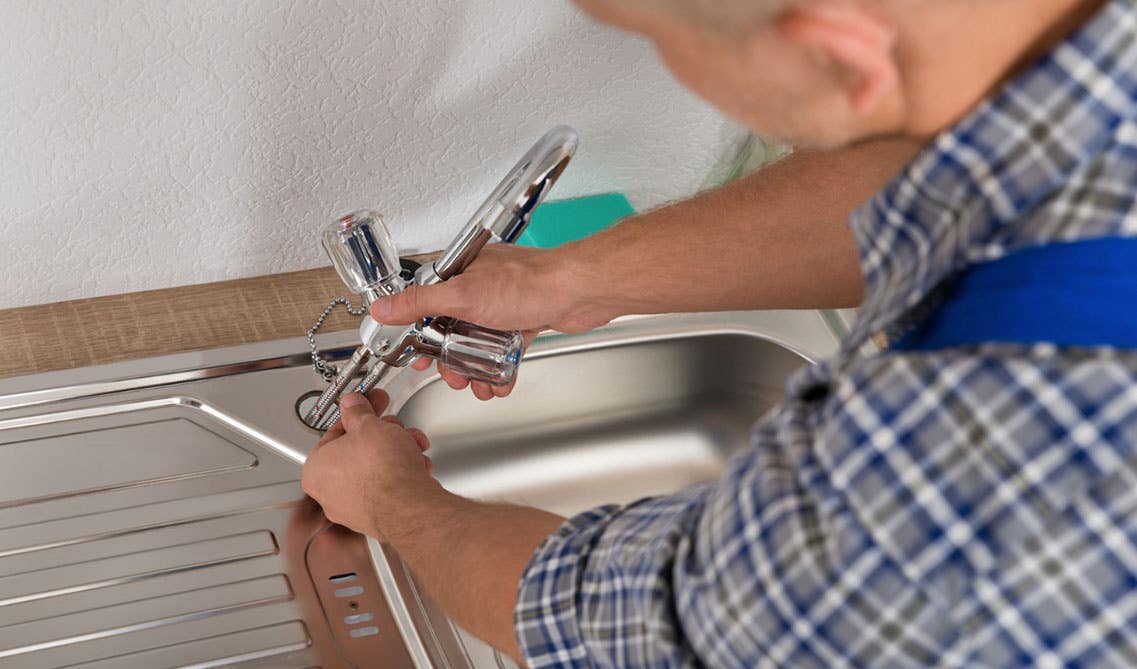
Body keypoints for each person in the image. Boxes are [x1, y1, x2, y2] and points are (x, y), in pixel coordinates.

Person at [301, 0, 1137, 665]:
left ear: (840, 55)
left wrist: (397, 504)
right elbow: (942, 188)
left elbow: (657, 631)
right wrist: (567, 279)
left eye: (655, 40)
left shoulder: (977, 440)